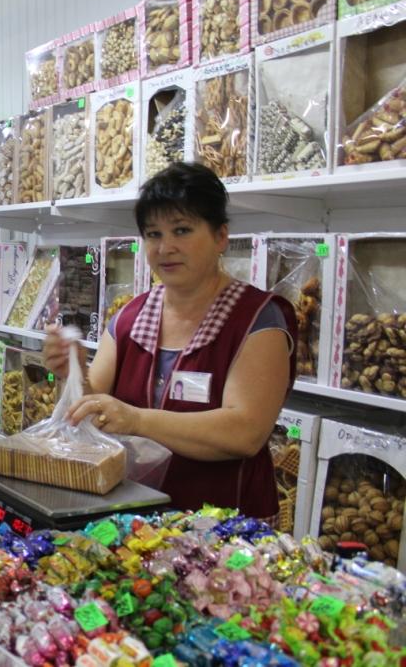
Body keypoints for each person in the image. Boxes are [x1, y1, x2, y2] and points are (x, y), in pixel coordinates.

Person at [43, 162, 296, 520]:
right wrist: (71, 372)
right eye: (153, 234)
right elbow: (88, 414)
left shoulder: (257, 319)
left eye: (182, 230)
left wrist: (136, 420)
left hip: (224, 531)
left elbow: (245, 433)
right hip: (132, 523)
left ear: (220, 236)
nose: (166, 248)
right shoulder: (130, 317)